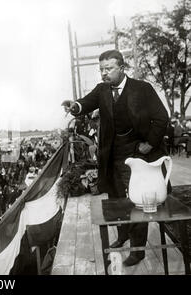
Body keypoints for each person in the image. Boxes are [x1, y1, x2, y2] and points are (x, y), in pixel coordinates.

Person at [62, 50, 169, 267]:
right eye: (101, 69)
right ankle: (123, 235)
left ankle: (138, 251)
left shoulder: (142, 88)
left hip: (139, 154)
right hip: (113, 154)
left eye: (108, 68)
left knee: (138, 200)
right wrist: (75, 106)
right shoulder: (102, 90)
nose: (103, 73)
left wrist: (149, 144)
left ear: (122, 67)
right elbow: (85, 103)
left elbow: (161, 117)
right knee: (117, 198)